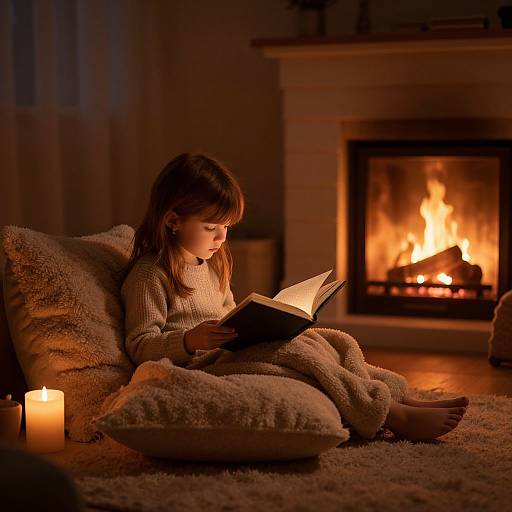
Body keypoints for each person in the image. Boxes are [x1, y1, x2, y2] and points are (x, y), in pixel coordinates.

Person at [120, 152, 469, 443]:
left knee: (329, 342)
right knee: (299, 360)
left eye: (227, 227)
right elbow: (139, 345)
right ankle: (389, 414)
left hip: (228, 351)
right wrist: (189, 340)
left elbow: (228, 312)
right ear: (173, 221)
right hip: (202, 366)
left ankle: (396, 394)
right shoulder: (151, 275)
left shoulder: (211, 264)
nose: (221, 238)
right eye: (211, 228)